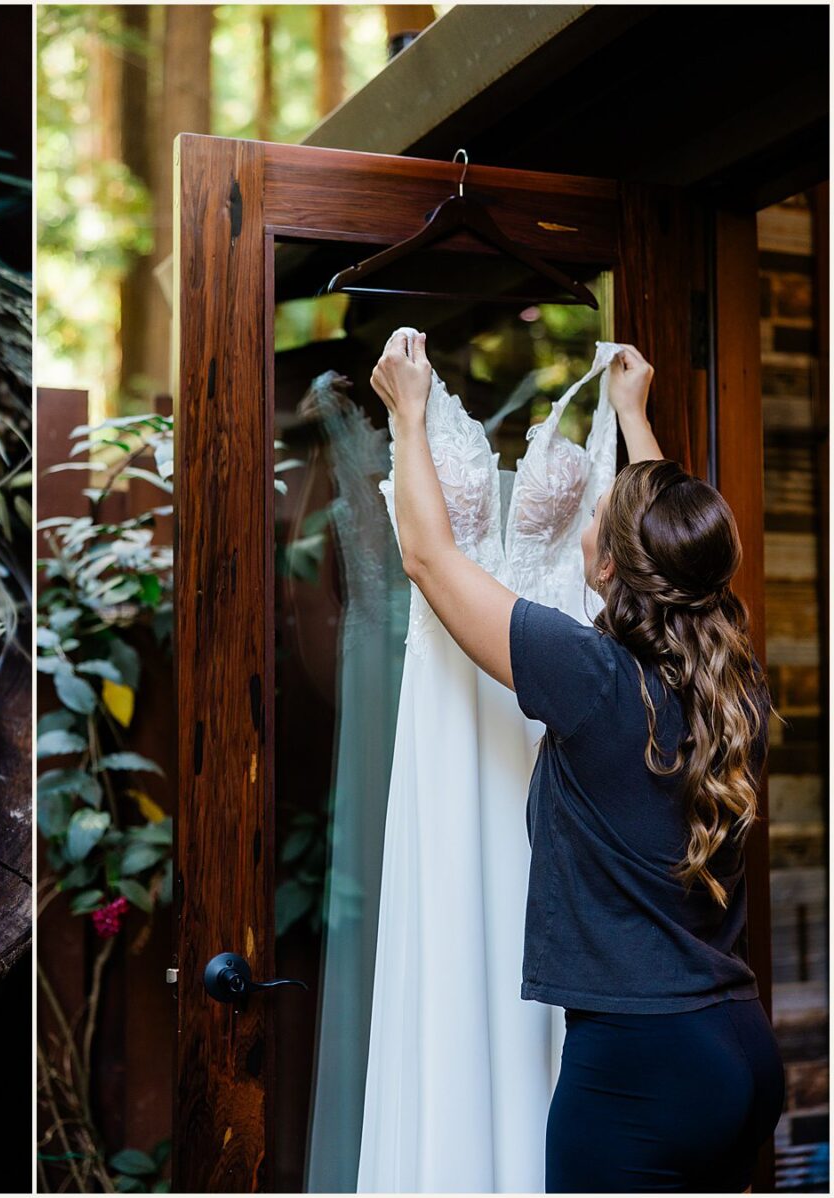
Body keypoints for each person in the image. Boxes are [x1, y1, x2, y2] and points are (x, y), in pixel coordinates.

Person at [369, 330, 784, 1192]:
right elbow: (677, 552)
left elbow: (428, 559)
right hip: (738, 1046)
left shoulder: (592, 679)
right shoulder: (731, 680)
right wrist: (632, 418)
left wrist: (408, 419)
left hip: (638, 1071)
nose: (588, 516)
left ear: (607, 567)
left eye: (601, 516)